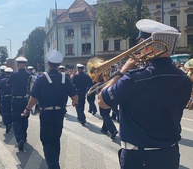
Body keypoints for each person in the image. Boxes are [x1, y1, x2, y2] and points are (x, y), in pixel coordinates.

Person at [98, 19, 192, 169]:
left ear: (149, 47)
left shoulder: (133, 78)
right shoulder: (185, 80)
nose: (139, 50)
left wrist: (121, 72)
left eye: (141, 44)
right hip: (170, 155)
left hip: (139, 158)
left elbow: (102, 100)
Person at [23, 50, 78, 169]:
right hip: (59, 114)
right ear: (59, 64)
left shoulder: (42, 79)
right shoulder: (65, 78)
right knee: (55, 139)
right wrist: (75, 102)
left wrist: (27, 109)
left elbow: (33, 98)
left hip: (46, 114)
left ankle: (54, 166)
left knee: (47, 142)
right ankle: (54, 164)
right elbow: (75, 97)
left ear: (48, 64)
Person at [6, 56, 31, 150]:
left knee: (16, 119)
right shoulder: (29, 74)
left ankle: (20, 138)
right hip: (25, 99)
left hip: (15, 100)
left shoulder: (13, 74)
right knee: (25, 118)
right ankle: (24, 137)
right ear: (25, 64)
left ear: (18, 64)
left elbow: (7, 83)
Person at [0, 67, 13, 133]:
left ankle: (7, 124)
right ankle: (10, 122)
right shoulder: (13, 81)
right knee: (11, 110)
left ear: (5, 73)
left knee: (5, 111)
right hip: (12, 98)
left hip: (4, 97)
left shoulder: (2, 81)